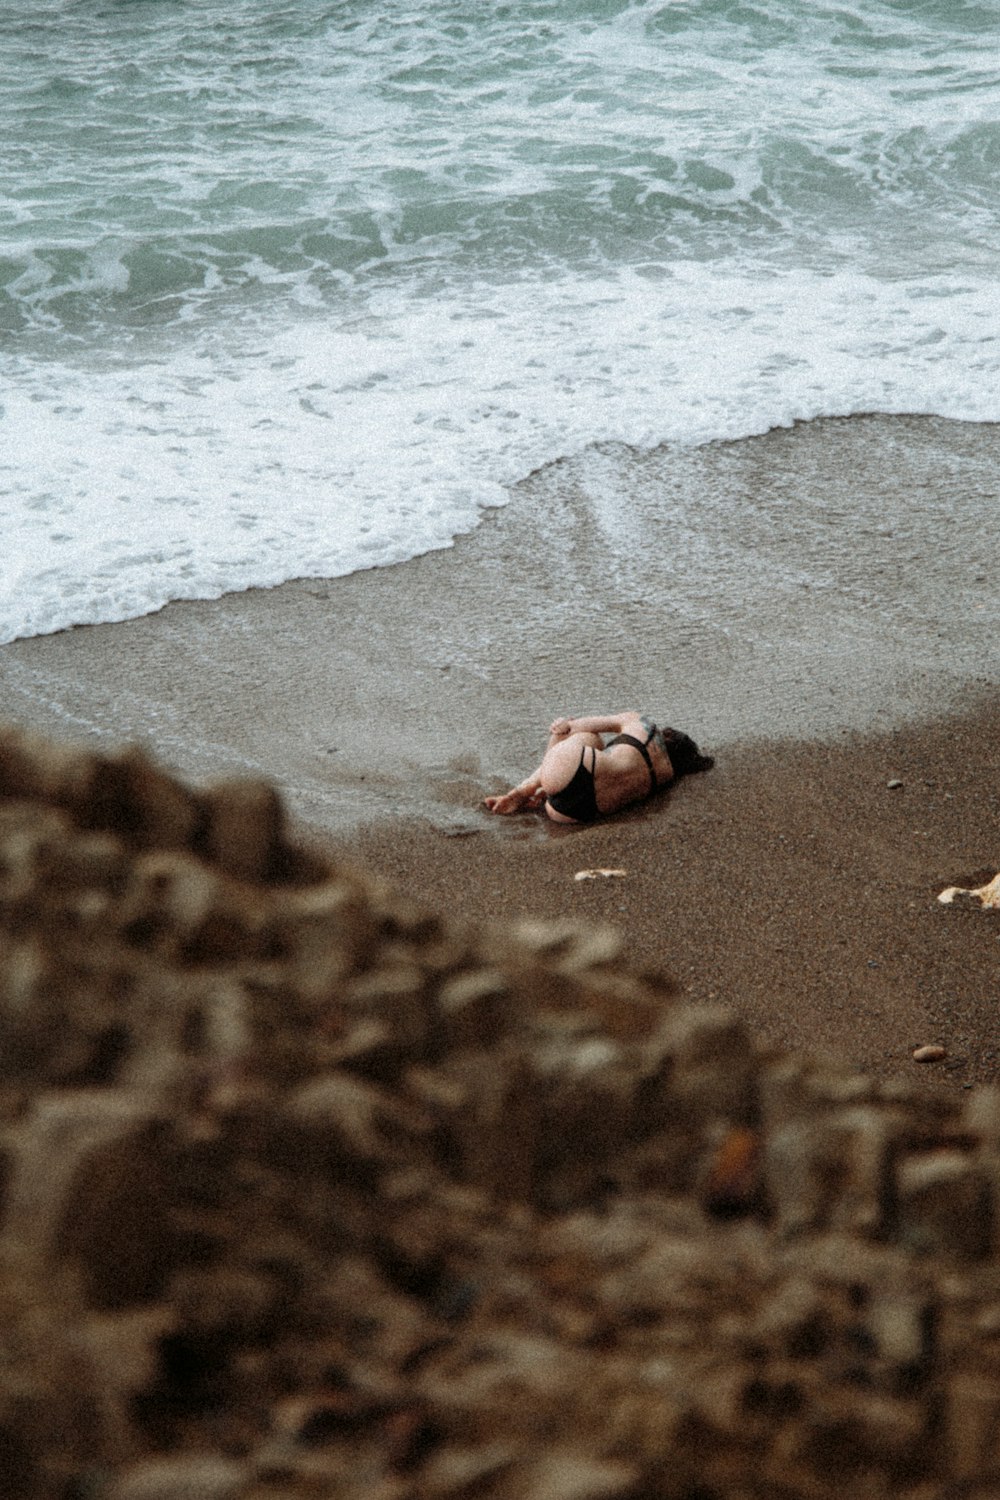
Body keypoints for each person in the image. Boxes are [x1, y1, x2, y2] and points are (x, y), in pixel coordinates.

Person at [484, 711, 713, 824]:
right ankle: (546, 790)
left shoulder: (644, 726)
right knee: (587, 765)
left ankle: (523, 790)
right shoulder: (667, 777)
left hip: (566, 767)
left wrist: (562, 726)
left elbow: (578, 727)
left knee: (590, 736)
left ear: (668, 734)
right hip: (570, 814)